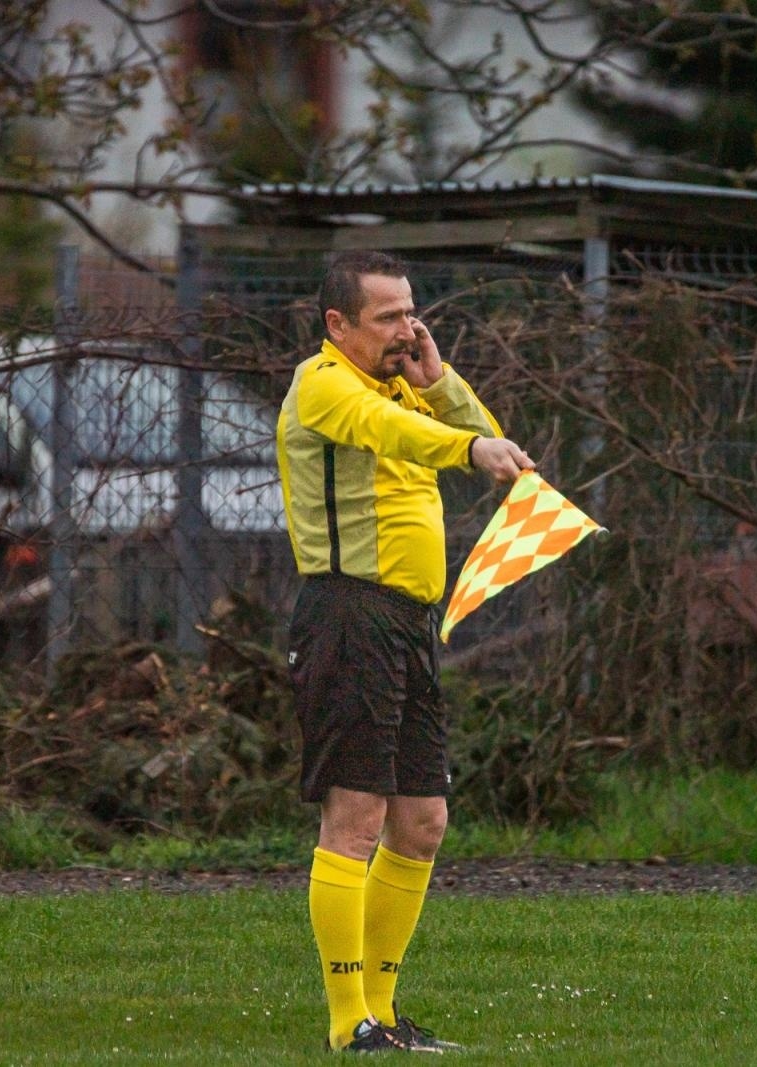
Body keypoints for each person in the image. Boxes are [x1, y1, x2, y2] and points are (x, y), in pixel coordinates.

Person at [277, 250, 533, 1053]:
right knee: (354, 818)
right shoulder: (321, 384)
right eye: (388, 317)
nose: (406, 328)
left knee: (421, 821)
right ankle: (346, 1019)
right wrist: (457, 441)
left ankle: (385, 1015)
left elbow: (493, 450)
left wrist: (440, 377)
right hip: (349, 616)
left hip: (408, 624)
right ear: (337, 324)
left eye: (411, 311)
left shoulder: (403, 386)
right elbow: (398, 433)